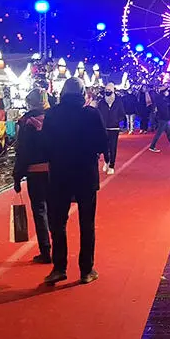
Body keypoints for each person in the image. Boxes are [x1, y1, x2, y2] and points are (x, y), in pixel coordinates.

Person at [42, 78, 107, 286]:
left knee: (58, 223)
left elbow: (45, 145)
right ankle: (86, 270)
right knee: (86, 223)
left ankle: (59, 267)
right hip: (85, 174)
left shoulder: (52, 114)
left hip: (60, 174)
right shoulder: (91, 114)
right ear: (82, 93)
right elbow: (102, 142)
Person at [13, 88, 52, 264]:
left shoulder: (26, 123)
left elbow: (23, 152)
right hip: (54, 171)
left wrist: (17, 176)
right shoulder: (54, 119)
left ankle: (45, 250)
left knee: (39, 211)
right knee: (54, 210)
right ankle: (58, 248)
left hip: (35, 173)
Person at [96, 83, 126, 174]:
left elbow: (122, 114)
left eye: (109, 90)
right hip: (104, 128)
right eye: (106, 90)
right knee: (105, 147)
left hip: (114, 128)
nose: (108, 92)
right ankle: (106, 161)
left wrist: (117, 120)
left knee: (113, 147)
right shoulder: (101, 102)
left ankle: (112, 165)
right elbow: (98, 114)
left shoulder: (118, 101)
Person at [148, 86, 170, 153]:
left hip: (164, 118)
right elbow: (163, 110)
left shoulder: (162, 98)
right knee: (159, 133)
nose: (167, 92)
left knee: (169, 133)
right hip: (163, 118)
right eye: (166, 91)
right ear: (164, 92)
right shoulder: (161, 99)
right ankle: (152, 146)